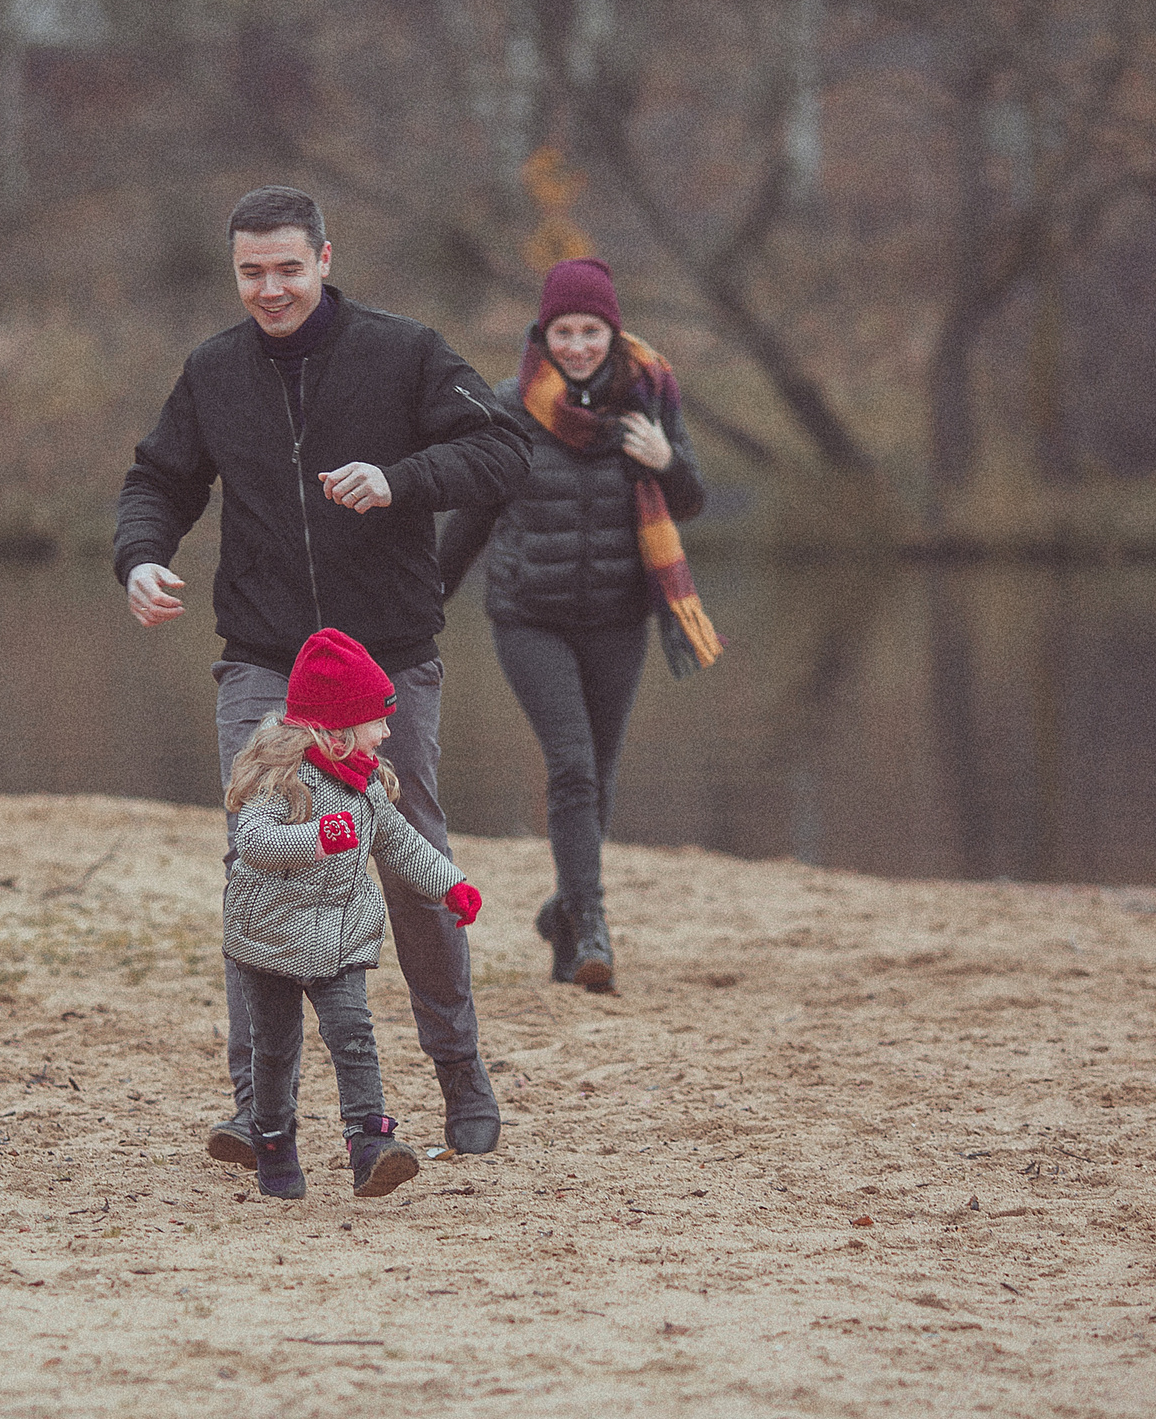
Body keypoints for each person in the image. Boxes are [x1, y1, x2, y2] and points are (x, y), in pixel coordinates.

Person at [115, 185, 529, 1161]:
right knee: (257, 857)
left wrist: (400, 481)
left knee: (403, 854)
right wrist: (139, 555)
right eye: (251, 272)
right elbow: (158, 478)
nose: (269, 289)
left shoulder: (403, 354)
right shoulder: (214, 371)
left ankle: (459, 1071)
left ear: (325, 260)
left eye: (287, 269)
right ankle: (254, 1110)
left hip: (385, 658)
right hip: (264, 660)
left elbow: (502, 453)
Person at [437, 257, 721, 993]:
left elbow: (688, 501)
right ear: (544, 332)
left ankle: (564, 918)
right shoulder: (509, 407)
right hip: (530, 619)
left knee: (599, 774)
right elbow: (470, 520)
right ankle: (593, 924)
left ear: (612, 332)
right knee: (571, 766)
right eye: (564, 331)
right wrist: (421, 603)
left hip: (618, 618)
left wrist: (666, 460)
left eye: (591, 330)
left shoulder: (647, 403)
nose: (578, 345)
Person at [223, 629, 486, 1199]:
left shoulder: (365, 788)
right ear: (337, 728)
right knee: (274, 1047)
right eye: (378, 720)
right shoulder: (279, 779)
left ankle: (369, 1141)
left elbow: (401, 845)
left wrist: (451, 886)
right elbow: (252, 840)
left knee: (355, 1035)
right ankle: (272, 1141)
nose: (389, 731)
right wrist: (316, 838)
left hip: (340, 941)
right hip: (267, 941)